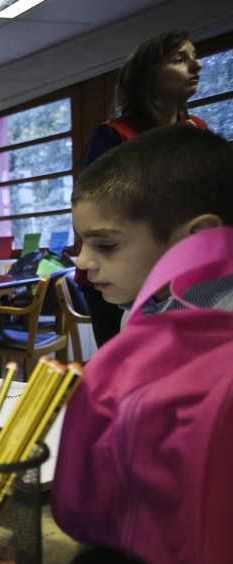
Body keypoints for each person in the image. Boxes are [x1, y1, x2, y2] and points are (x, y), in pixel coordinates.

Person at [78, 29, 207, 346]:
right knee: (130, 362)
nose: (196, 65)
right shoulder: (114, 136)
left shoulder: (197, 132)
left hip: (186, 269)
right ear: (147, 76)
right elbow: (95, 213)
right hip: (123, 273)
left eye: (195, 56)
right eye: (179, 59)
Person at [72, 124, 233, 325]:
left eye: (106, 245)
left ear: (198, 237)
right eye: (82, 241)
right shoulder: (138, 312)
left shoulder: (223, 328)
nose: (81, 262)